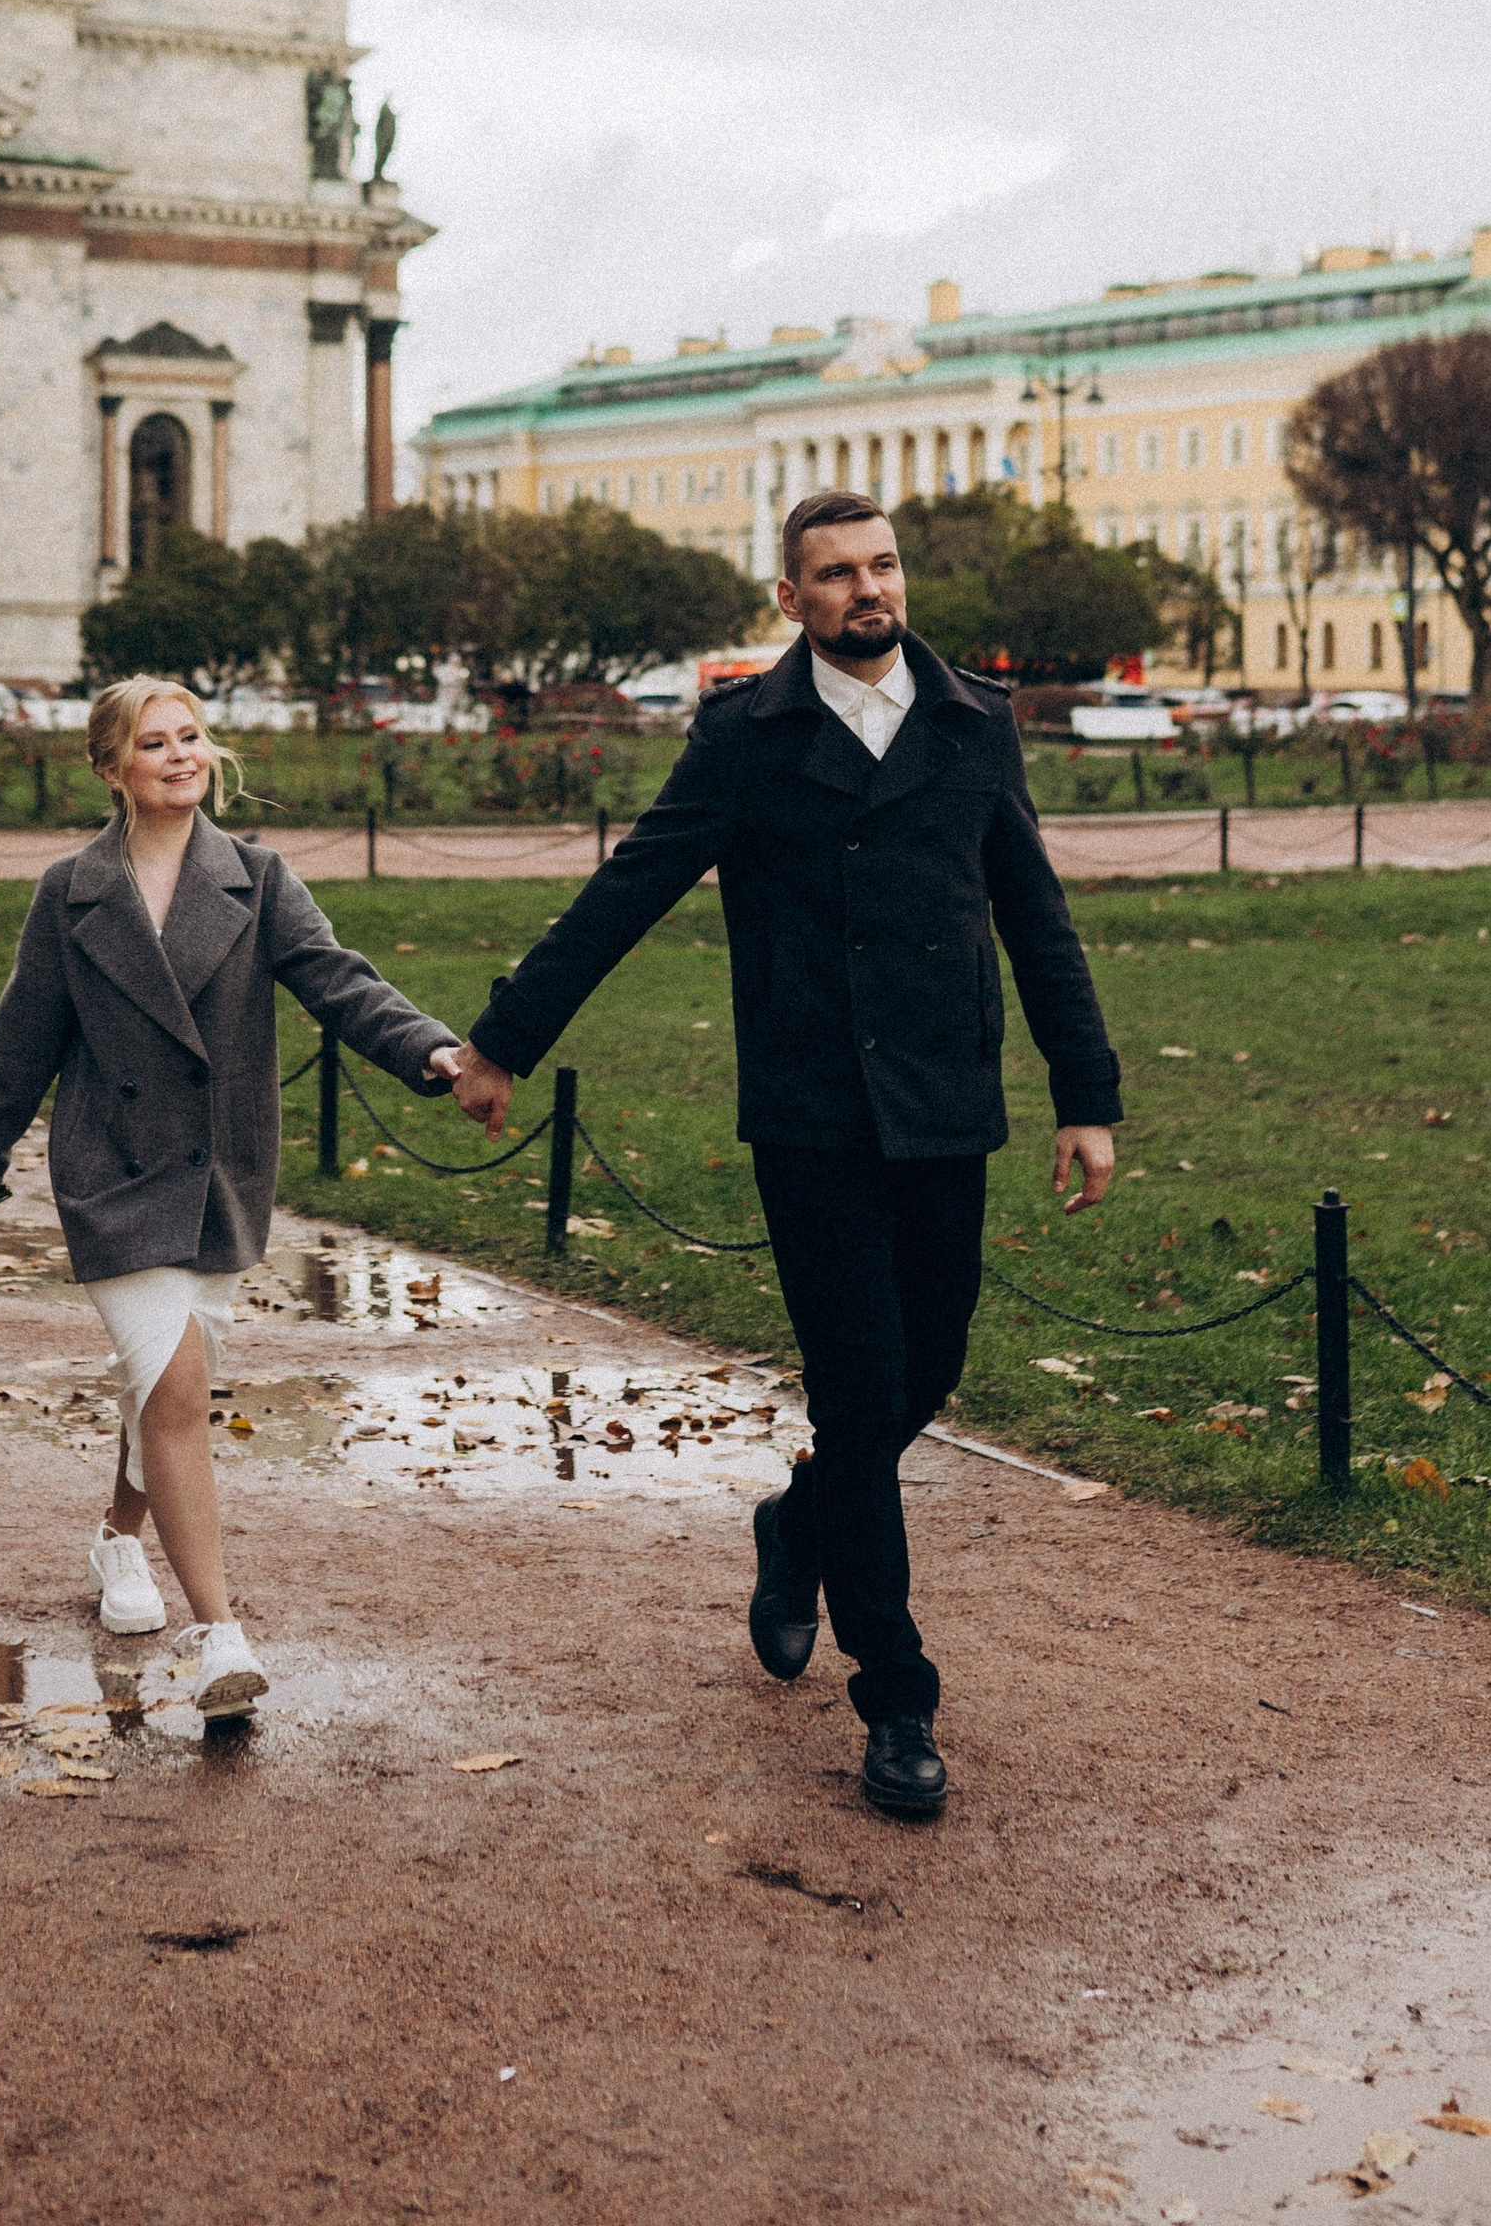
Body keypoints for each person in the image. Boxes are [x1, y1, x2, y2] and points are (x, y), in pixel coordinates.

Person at [445, 492, 1122, 1823]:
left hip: (945, 1105)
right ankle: (899, 1698)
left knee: (929, 1368)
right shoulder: (747, 736)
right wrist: (504, 1040)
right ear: (791, 597)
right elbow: (631, 887)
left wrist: (1083, 1095)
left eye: (882, 566)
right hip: (812, 1116)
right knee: (861, 1392)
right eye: (836, 574)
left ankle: (797, 1526)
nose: (868, 590)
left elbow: (1034, 914)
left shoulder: (975, 723)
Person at [0, 673, 467, 1718]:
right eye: (154, 743)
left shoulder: (258, 880)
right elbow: (23, 1039)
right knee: (177, 1390)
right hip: (113, 1169)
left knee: (163, 1387)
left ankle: (117, 1539)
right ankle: (218, 1635)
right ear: (110, 769)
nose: (182, 755)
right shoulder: (70, 890)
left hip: (220, 1171)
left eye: (191, 737)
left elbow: (338, 980)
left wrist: (433, 1051)